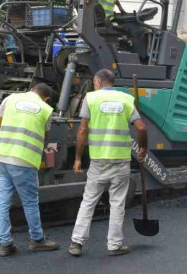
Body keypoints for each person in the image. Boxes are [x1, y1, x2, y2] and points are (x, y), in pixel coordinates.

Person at [69, 69, 148, 257]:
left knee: (88, 201)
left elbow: (82, 130)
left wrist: (78, 158)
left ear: (97, 81)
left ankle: (77, 243)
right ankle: (114, 245)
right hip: (120, 160)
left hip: (98, 161)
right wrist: (143, 148)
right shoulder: (126, 100)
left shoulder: (91, 98)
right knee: (117, 203)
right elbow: (141, 127)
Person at [0, 83, 59, 257]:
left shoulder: (10, 98)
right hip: (24, 160)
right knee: (29, 202)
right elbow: (45, 136)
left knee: (3, 200)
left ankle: (5, 244)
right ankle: (37, 240)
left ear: (31, 90)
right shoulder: (45, 109)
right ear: (47, 98)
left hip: (2, 156)